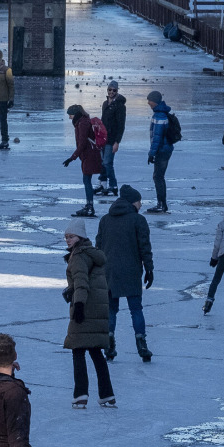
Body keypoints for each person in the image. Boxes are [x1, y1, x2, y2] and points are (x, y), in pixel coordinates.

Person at [95, 184, 154, 362]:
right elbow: (144, 246)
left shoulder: (105, 219)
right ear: (132, 202)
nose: (141, 205)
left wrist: (97, 270)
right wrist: (149, 268)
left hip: (109, 271)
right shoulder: (138, 220)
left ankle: (109, 343)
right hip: (131, 271)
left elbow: (98, 246)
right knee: (136, 309)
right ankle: (141, 344)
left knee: (111, 309)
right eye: (139, 201)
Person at [63, 223, 114, 409]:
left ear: (81, 237)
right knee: (95, 351)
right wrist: (71, 291)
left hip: (84, 308)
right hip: (97, 308)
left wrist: (78, 305)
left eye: (71, 236)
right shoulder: (93, 253)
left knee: (77, 350)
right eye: (66, 237)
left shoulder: (78, 256)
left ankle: (80, 395)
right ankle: (107, 395)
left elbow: (82, 282)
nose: (68, 240)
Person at [63, 104, 105, 216]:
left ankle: (90, 207)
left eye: (70, 115)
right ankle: (89, 206)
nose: (69, 117)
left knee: (87, 180)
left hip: (89, 155)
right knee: (87, 180)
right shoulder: (82, 122)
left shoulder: (82, 124)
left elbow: (81, 144)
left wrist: (72, 158)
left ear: (76, 114)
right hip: (88, 155)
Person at [145, 90, 175, 213]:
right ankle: (161, 203)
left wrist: (151, 154)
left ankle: (161, 204)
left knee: (158, 177)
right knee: (158, 176)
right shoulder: (160, 113)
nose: (148, 103)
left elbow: (157, 138)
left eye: (150, 100)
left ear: (155, 102)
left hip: (162, 151)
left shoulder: (159, 116)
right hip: (165, 150)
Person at [100, 81, 125, 196]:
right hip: (103, 138)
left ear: (117, 91)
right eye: (110, 90)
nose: (111, 92)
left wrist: (117, 142)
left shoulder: (120, 106)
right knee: (102, 162)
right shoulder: (105, 104)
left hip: (112, 138)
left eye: (114, 90)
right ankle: (103, 184)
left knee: (107, 162)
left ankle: (113, 185)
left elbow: (121, 125)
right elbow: (102, 121)